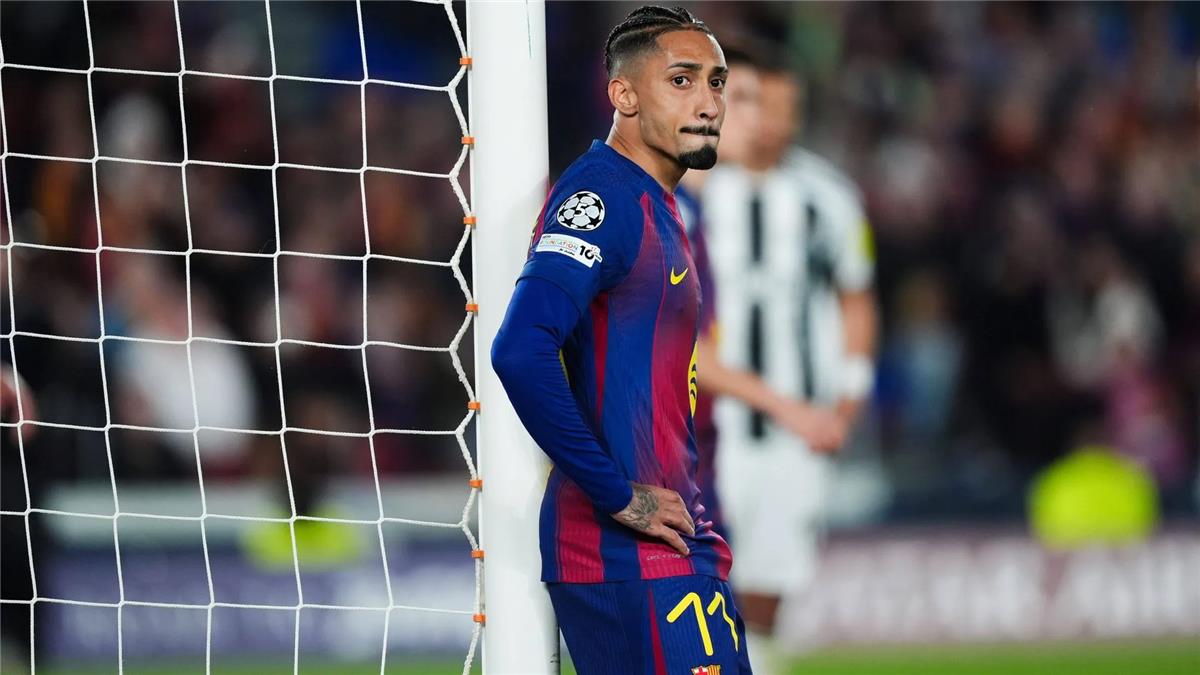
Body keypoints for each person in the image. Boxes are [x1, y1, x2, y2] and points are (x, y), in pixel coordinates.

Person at [491, 6, 750, 673]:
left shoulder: (658, 205)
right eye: (682, 80)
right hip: (627, 555)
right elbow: (520, 348)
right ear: (624, 94)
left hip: (671, 546)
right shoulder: (602, 198)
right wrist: (617, 494)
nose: (708, 102)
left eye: (716, 82)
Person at [698, 60, 879, 673]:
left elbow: (856, 297)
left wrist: (848, 400)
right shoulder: (690, 192)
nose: (768, 121)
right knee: (695, 582)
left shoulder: (829, 198)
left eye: (782, 108)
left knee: (768, 587)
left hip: (794, 428)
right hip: (701, 424)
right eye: (754, 103)